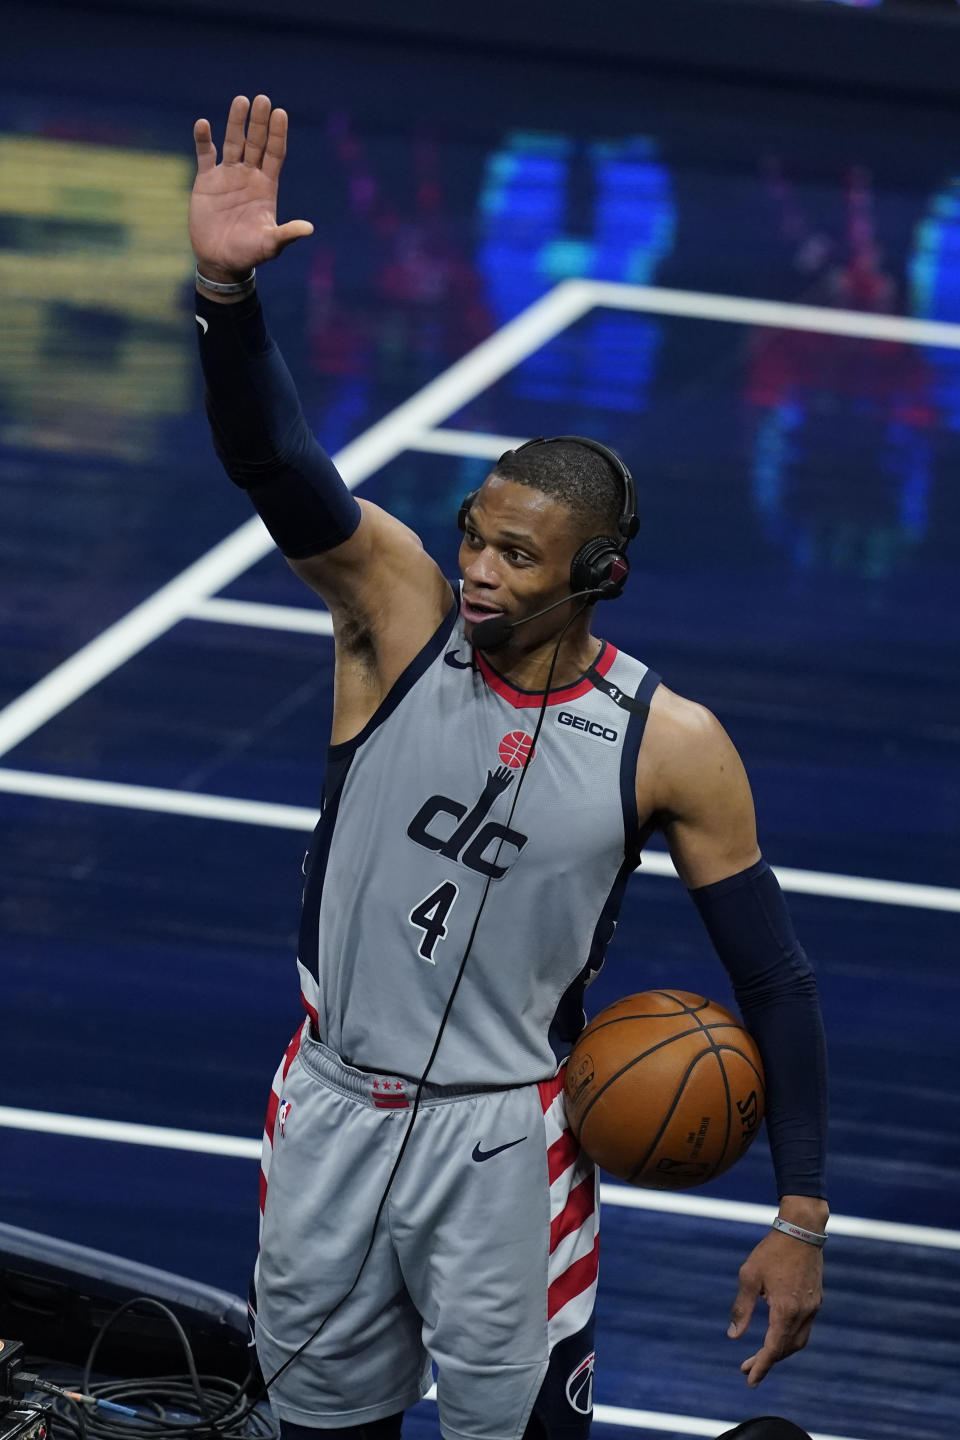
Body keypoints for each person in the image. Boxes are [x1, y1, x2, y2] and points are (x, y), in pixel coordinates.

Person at [190, 95, 829, 1440]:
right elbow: (278, 467)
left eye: (518, 556)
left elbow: (770, 976)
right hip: (330, 1108)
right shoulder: (396, 618)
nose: (478, 567)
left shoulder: (673, 743)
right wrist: (225, 293)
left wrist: (800, 1216)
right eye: (474, 535)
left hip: (506, 1147)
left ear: (599, 577)